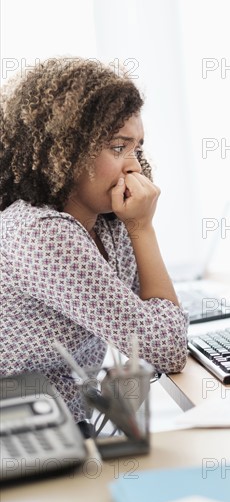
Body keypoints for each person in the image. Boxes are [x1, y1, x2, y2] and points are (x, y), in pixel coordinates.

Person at [0, 57, 188, 426]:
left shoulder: (105, 223)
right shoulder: (42, 232)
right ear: (66, 150)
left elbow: (151, 326)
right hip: (21, 447)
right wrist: (143, 229)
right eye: (118, 147)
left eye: (137, 147)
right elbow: (167, 346)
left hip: (62, 433)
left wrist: (133, 226)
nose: (133, 166)